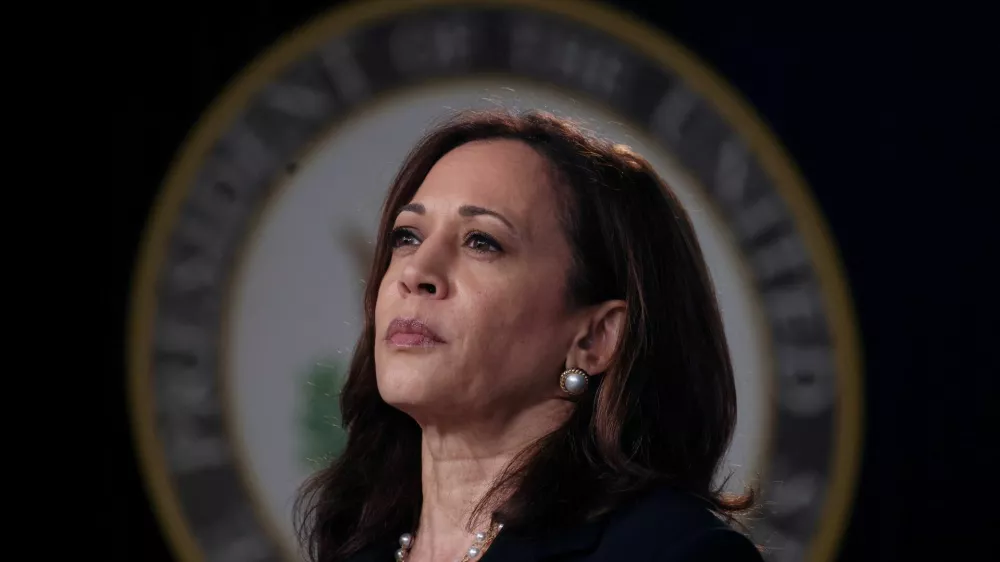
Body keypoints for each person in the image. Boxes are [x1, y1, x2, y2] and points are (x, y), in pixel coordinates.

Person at [295, 110, 763, 562]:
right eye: (407, 237)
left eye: (482, 241)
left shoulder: (677, 553)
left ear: (595, 338)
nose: (416, 272)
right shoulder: (353, 546)